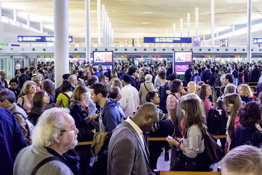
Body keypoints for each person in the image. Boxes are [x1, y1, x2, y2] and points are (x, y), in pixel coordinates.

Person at [13, 108, 79, 175]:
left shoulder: (24, 151)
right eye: (72, 128)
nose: (77, 131)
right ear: (57, 136)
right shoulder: (59, 170)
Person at [107, 103, 158, 175]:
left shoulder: (132, 130)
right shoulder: (126, 140)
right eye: (153, 123)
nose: (153, 128)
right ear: (147, 118)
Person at [166, 98, 209, 171]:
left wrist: (177, 144)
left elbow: (192, 153)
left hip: (192, 165)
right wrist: (184, 140)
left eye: (183, 109)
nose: (182, 111)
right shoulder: (196, 125)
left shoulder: (193, 129)